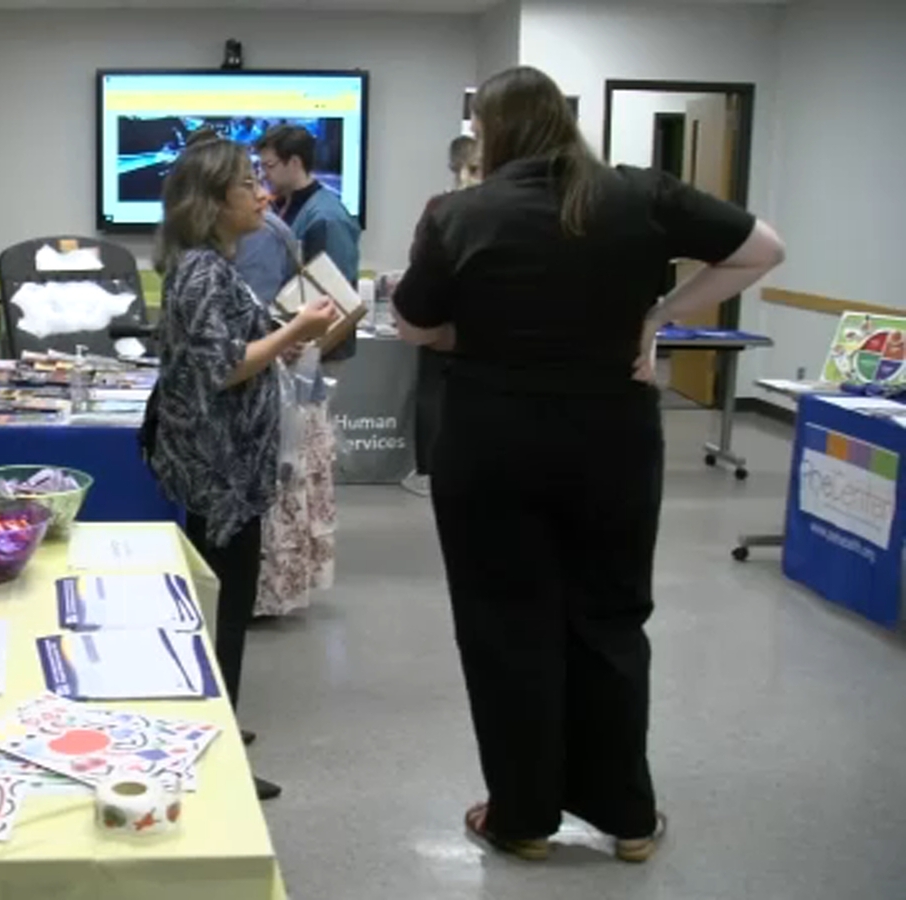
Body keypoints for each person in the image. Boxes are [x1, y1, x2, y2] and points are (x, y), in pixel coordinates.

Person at [393, 66, 785, 863]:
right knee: (610, 618)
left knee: (505, 623)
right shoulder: (640, 195)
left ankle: (524, 818)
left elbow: (413, 326)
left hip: (492, 438)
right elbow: (763, 249)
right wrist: (657, 315)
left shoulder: (461, 213)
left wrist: (481, 332)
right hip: (611, 436)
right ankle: (628, 819)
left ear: (494, 133)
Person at [146, 137, 336, 800]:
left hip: (232, 467)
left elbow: (235, 352)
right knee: (221, 610)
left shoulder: (210, 268)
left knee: (225, 602)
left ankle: (217, 717)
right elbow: (223, 366)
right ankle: (214, 746)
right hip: (218, 471)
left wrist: (280, 343)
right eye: (246, 186)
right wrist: (295, 333)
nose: (263, 194)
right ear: (210, 203)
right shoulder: (203, 271)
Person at [402, 134, 482, 498]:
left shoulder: (440, 207)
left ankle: (428, 472)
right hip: (485, 319)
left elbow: (418, 256)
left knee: (432, 388)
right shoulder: (506, 207)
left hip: (443, 315)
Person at [254, 123, 362, 362]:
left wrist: (302, 345)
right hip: (289, 341)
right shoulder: (283, 207)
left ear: (294, 162)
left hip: (317, 352)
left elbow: (334, 296)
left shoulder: (326, 219)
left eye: (269, 166)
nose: (263, 175)